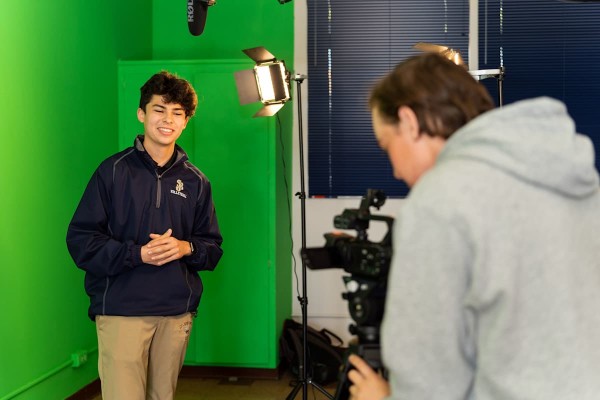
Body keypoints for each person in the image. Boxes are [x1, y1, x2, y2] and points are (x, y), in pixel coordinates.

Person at [346, 53, 600, 400]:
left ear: (409, 122)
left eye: (386, 145)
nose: (395, 171)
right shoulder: (578, 179)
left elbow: (430, 382)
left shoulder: (439, 199)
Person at [66, 71, 223, 400]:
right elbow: (81, 242)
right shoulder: (112, 171)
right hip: (121, 310)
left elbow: (212, 249)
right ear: (141, 114)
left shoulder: (197, 182)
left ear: (185, 122)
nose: (168, 120)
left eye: (177, 113)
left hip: (175, 313)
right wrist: (138, 254)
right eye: (159, 109)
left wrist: (185, 247)